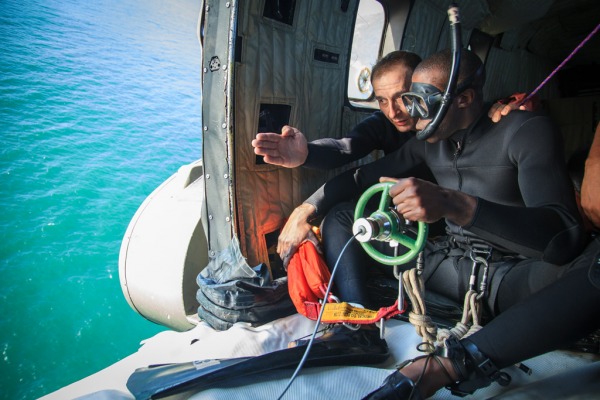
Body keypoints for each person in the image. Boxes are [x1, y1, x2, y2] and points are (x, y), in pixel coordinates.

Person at [363, 123, 600, 399]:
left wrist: (454, 204)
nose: (408, 114)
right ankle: (358, 330)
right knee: (345, 219)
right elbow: (359, 174)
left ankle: (448, 366)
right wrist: (307, 206)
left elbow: (562, 243)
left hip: (515, 277)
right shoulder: (426, 144)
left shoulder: (526, 132)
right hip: (451, 265)